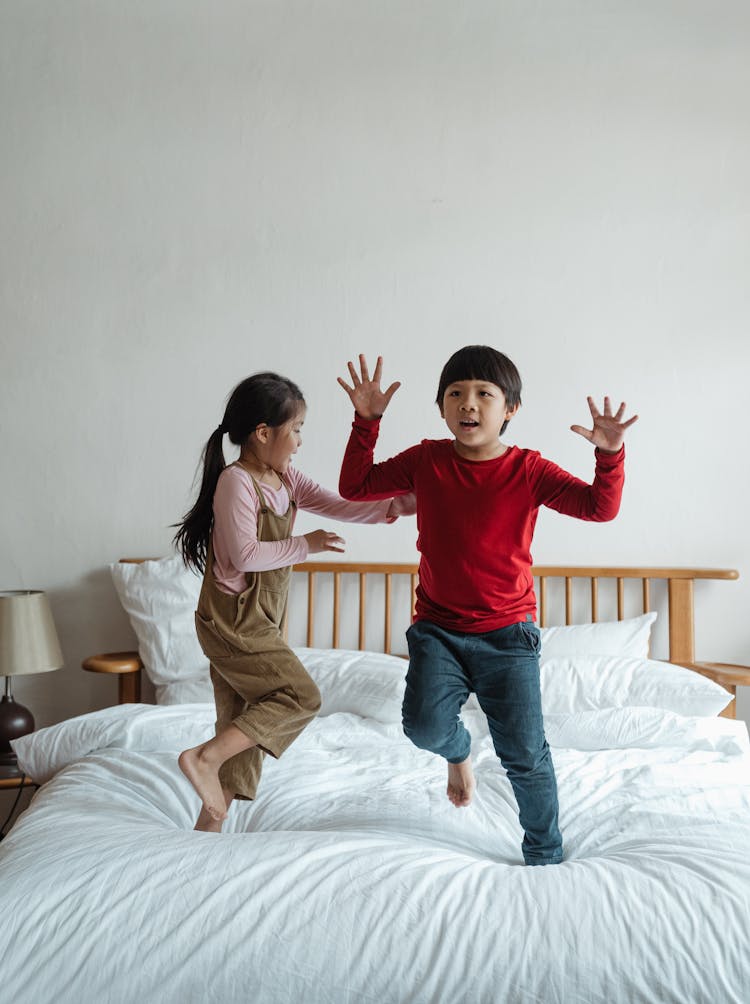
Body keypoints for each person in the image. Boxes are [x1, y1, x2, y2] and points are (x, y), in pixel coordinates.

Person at [337, 347, 638, 866]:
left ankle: (544, 851)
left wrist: (608, 456)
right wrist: (367, 422)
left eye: (483, 394)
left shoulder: (528, 469)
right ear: (441, 407)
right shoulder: (426, 460)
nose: (468, 404)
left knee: (523, 753)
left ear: (510, 409)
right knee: (423, 727)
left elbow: (598, 508)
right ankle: (459, 752)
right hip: (438, 630)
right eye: (455, 394)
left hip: (509, 636)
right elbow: (355, 487)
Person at [173, 371, 413, 832]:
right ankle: (202, 757)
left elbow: (339, 502)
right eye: (296, 429)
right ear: (263, 433)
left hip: (256, 619)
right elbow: (246, 553)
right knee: (299, 696)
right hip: (231, 621)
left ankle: (204, 834)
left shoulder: (283, 477)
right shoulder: (237, 483)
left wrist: (401, 505)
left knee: (243, 724)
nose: (300, 442)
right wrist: (309, 545)